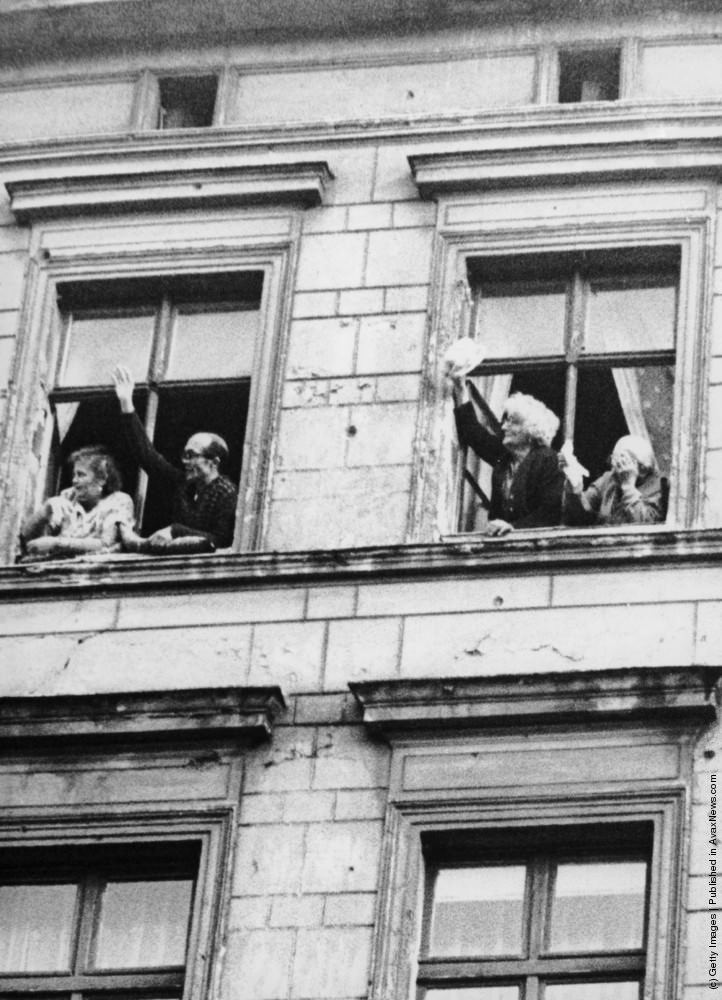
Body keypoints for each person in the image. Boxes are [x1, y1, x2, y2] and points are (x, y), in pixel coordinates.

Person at [112, 366, 237, 553]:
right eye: (184, 455)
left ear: (214, 462)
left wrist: (175, 530)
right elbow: (148, 457)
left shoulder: (226, 492)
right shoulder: (183, 484)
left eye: (191, 455)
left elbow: (222, 539)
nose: (185, 462)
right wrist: (126, 403)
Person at [450, 375, 564, 536]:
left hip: (536, 549)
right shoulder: (504, 457)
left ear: (530, 430)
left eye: (512, 422)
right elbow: (473, 433)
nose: (504, 427)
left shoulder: (549, 460)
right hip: (501, 546)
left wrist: (514, 528)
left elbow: (550, 513)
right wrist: (460, 387)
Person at [20, 447, 134, 561]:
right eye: (74, 475)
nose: (74, 480)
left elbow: (106, 543)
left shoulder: (119, 501)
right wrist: (44, 511)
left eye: (81, 475)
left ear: (102, 479)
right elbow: (26, 539)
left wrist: (56, 543)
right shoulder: (68, 497)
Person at [561, 434, 664, 526]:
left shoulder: (660, 486)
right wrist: (574, 489)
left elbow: (647, 526)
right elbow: (577, 518)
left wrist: (628, 487)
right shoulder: (609, 479)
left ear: (642, 468)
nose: (613, 467)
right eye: (613, 460)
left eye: (622, 462)